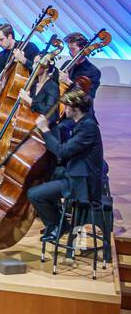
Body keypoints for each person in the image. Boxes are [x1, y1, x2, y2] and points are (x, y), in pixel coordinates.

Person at [27, 89, 103, 243]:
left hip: (82, 182)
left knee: (34, 194)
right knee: (47, 174)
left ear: (76, 108)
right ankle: (57, 219)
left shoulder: (88, 127)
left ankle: (58, 224)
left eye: (67, 107)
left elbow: (62, 151)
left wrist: (45, 130)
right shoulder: (83, 122)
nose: (64, 109)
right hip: (77, 171)